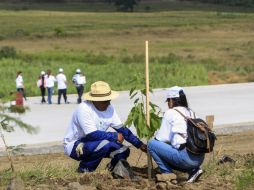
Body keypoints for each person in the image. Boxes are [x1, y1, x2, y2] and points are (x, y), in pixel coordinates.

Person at [63, 81, 147, 173]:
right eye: (105, 101)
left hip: (97, 143)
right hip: (76, 145)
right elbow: (92, 135)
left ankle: (113, 170)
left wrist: (140, 145)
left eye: (109, 100)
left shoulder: (110, 109)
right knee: (104, 143)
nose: (108, 103)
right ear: (94, 100)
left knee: (124, 150)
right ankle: (84, 171)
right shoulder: (84, 109)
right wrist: (115, 136)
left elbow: (123, 130)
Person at [148, 86, 205, 183]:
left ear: (171, 100)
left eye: (168, 101)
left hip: (185, 159)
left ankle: (167, 173)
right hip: (199, 159)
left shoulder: (170, 112)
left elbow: (160, 139)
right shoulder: (192, 112)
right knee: (177, 145)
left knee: (152, 144)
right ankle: (193, 170)